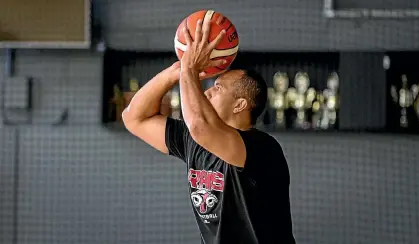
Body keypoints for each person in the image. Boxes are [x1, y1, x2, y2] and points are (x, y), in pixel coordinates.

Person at [122, 18, 296, 244]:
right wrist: (175, 72)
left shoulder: (263, 149)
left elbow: (200, 125)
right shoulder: (193, 139)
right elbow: (134, 117)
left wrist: (190, 69)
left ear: (240, 104)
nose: (208, 92)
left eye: (218, 88)